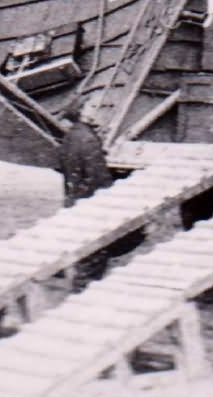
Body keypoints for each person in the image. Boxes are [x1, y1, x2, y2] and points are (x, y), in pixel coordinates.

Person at [57, 95, 144, 288]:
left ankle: (77, 284)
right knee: (94, 255)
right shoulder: (88, 140)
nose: (98, 110)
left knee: (83, 251)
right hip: (91, 205)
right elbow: (99, 178)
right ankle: (82, 293)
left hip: (74, 200)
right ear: (81, 112)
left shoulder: (71, 136)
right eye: (93, 107)